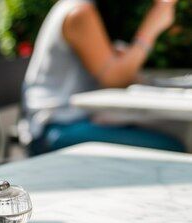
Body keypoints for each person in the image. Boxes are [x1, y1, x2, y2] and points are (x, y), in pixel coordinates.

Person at [23, 0, 184, 154]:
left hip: (72, 120)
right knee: (173, 146)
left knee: (172, 131)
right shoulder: (78, 12)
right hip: (56, 129)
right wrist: (152, 27)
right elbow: (115, 79)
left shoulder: (83, 8)